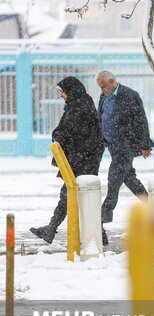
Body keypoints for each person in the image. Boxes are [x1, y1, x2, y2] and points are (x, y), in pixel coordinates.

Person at [30, 76, 104, 244]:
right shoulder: (80, 103)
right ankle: (52, 229)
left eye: (62, 92)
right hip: (84, 157)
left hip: (83, 158)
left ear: (71, 91)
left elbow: (68, 131)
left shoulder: (79, 107)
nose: (61, 95)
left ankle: (51, 229)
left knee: (74, 194)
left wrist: (57, 135)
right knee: (81, 194)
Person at [96, 70, 154, 224]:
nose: (102, 90)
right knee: (128, 177)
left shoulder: (129, 95)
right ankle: (151, 205)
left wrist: (144, 145)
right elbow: (101, 116)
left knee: (114, 176)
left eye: (103, 87)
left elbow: (141, 120)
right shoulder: (104, 96)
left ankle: (104, 213)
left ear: (111, 82)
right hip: (112, 145)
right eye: (100, 88)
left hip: (126, 143)